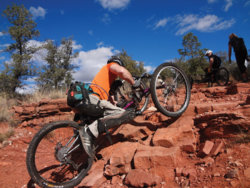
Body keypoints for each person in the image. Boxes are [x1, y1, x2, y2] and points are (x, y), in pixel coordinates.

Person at [76, 56, 140, 157]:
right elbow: (122, 71)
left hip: (90, 101)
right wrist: (134, 83)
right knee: (125, 114)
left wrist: (113, 102)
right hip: (94, 100)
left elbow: (108, 99)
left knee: (110, 114)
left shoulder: (104, 81)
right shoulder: (110, 66)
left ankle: (85, 140)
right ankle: (88, 132)